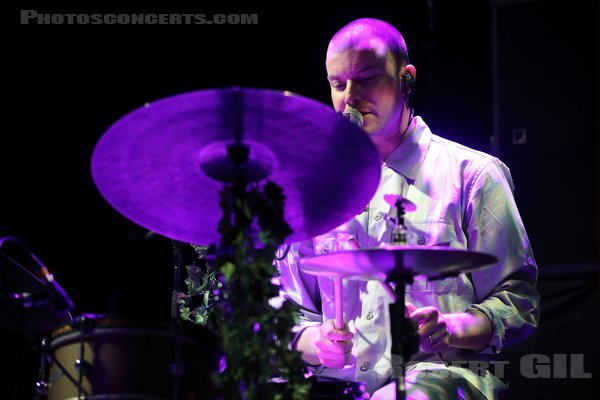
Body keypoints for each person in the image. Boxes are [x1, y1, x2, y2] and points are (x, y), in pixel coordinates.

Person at [275, 18, 540, 399]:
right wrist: (315, 340)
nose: (349, 96)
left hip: (439, 376)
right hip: (334, 385)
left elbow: (519, 302)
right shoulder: (311, 188)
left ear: (406, 78)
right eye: (338, 84)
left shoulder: (474, 174)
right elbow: (284, 312)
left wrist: (452, 327)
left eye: (366, 79)